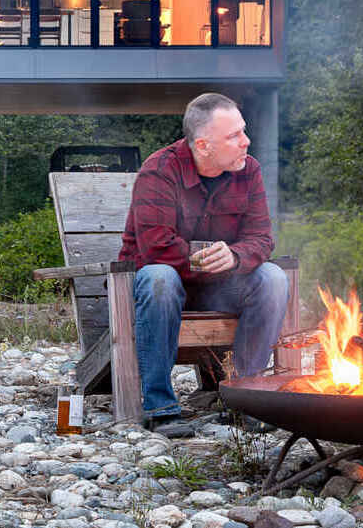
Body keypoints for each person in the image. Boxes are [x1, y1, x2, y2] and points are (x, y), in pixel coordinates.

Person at [119, 92, 288, 433]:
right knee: (158, 278)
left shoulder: (249, 169)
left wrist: (236, 256)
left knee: (273, 278)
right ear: (204, 145)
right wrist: (210, 257)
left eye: (244, 131)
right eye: (234, 136)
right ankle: (161, 407)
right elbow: (155, 247)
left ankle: (245, 398)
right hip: (163, 290)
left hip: (221, 288)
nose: (246, 142)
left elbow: (262, 238)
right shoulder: (159, 170)